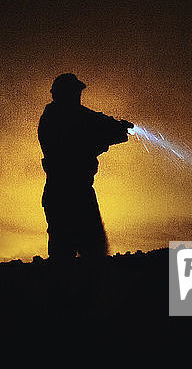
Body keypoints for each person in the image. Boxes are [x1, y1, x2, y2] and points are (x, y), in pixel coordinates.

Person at [38, 73, 133, 262]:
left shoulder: (61, 116)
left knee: (70, 253)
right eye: (75, 92)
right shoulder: (63, 118)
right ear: (65, 93)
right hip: (71, 192)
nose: (78, 97)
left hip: (65, 191)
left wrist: (111, 129)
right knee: (82, 254)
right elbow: (81, 141)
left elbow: (92, 123)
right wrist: (112, 133)